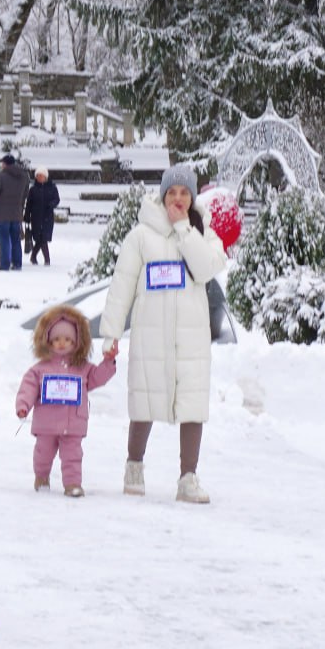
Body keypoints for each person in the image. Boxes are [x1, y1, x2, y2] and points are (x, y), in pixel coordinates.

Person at [99, 164, 227, 503]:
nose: (178, 198)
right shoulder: (141, 235)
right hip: (150, 334)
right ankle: (134, 465)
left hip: (191, 337)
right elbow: (121, 285)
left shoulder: (202, 231)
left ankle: (188, 477)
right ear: (163, 195)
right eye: (172, 192)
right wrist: (111, 332)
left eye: (185, 193)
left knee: (192, 404)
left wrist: (185, 230)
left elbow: (207, 268)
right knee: (144, 398)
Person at [16, 304, 118, 497]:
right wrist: (23, 406)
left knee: (73, 456)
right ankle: (42, 476)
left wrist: (108, 363)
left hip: (73, 424)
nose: (62, 343)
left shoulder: (83, 368)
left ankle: (73, 484)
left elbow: (99, 377)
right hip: (46, 424)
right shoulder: (39, 369)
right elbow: (28, 388)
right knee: (43, 454)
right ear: (47, 341)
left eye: (67, 339)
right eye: (56, 339)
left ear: (77, 342)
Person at [0, 153, 31, 271]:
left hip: (1, 214)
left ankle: (4, 264)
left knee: (4, 239)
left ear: (5, 164)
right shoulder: (24, 176)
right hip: (16, 213)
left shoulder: (1, 177)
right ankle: (17, 264)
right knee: (16, 239)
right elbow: (25, 194)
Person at [24, 166, 60, 265]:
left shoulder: (52, 188)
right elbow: (29, 204)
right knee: (39, 238)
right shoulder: (33, 189)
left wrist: (52, 204)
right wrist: (27, 216)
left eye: (41, 175)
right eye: (38, 176)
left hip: (47, 217)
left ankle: (42, 258)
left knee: (43, 238)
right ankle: (40, 258)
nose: (39, 177)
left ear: (46, 176)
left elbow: (57, 199)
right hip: (35, 217)